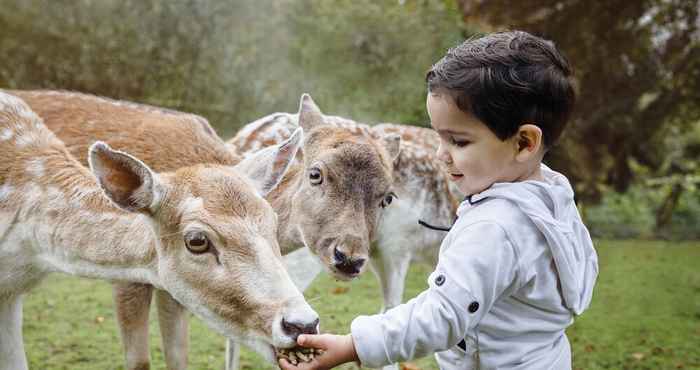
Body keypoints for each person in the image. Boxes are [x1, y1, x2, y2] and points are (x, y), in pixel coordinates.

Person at [279, 30, 598, 370]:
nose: (439, 154)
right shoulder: (554, 196)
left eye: (458, 142)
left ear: (523, 143)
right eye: (438, 137)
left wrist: (353, 345)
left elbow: (441, 316)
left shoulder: (495, 228)